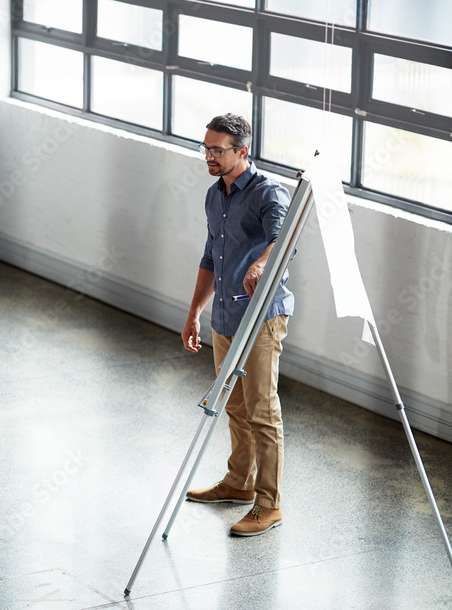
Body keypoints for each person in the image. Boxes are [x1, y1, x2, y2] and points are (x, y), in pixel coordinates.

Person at [181, 113, 294, 537]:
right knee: (234, 405)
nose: (208, 156)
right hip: (226, 316)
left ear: (242, 151)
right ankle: (239, 483)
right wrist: (194, 312)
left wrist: (263, 262)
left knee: (263, 412)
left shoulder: (270, 194)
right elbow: (211, 257)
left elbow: (283, 242)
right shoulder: (215, 195)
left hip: (261, 317)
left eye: (217, 150)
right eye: (205, 148)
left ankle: (270, 505)